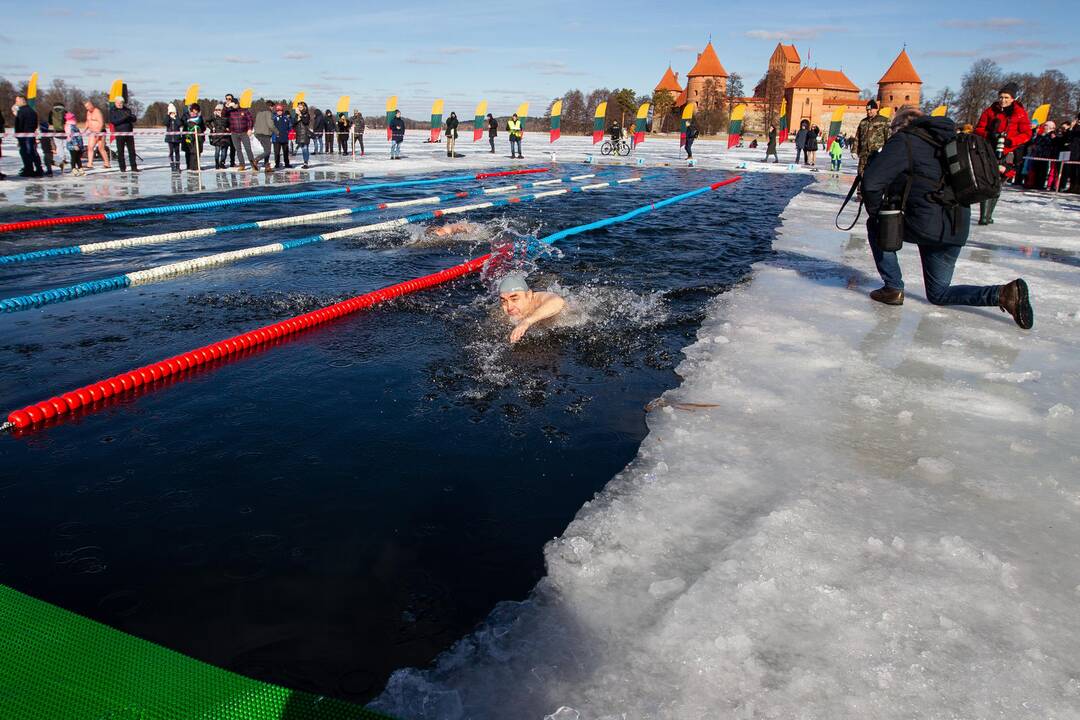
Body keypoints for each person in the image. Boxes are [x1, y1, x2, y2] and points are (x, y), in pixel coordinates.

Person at [861, 108, 1032, 329]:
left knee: (876, 224)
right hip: (957, 226)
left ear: (900, 126)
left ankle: (893, 288)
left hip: (925, 224)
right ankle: (1003, 294)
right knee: (938, 293)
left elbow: (872, 183)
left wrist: (878, 212)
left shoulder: (905, 140)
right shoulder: (952, 140)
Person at [974, 82, 1031, 224]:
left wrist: (1011, 141)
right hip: (989, 150)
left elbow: (1027, 133)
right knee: (988, 181)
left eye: (1006, 97)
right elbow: (978, 129)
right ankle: (983, 217)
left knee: (999, 182)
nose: (1003, 100)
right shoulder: (990, 111)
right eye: (1001, 97)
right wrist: (990, 134)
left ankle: (988, 215)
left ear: (1013, 98)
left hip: (1008, 152)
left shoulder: (1019, 114)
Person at [498, 272, 567, 344]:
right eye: (504, 301)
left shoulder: (538, 300)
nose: (509, 307)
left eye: (514, 299)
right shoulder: (501, 315)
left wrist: (527, 322)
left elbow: (558, 302)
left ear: (529, 295)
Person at [853, 100, 889, 177]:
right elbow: (857, 137)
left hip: (877, 156)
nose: (869, 112)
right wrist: (854, 151)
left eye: (871, 109)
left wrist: (887, 153)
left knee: (876, 177)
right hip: (864, 155)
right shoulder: (863, 122)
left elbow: (889, 138)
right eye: (867, 110)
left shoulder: (884, 121)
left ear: (876, 109)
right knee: (861, 177)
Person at [14, 95, 44, 177]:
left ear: (22, 101)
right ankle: (38, 169)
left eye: (17, 101)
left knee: (25, 152)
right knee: (33, 152)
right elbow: (35, 124)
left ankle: (29, 169)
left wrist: (18, 135)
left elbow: (19, 124)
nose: (16, 103)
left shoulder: (21, 111)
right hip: (31, 134)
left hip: (24, 135)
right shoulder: (32, 111)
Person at [108, 96, 138, 172]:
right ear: (115, 102)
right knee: (120, 151)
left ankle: (134, 167)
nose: (120, 104)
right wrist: (124, 118)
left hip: (129, 133)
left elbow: (134, 119)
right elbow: (114, 121)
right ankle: (122, 168)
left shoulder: (127, 110)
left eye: (121, 103)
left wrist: (131, 117)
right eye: (118, 103)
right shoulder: (112, 111)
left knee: (132, 151)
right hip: (119, 133)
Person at [227, 97, 256, 171]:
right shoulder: (230, 111)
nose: (234, 106)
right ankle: (242, 165)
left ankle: (253, 164)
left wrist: (249, 129)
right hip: (234, 133)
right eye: (232, 104)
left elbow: (250, 120)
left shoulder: (244, 110)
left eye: (235, 104)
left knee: (248, 149)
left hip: (244, 133)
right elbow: (223, 114)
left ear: (237, 103)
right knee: (238, 149)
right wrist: (226, 106)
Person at [82, 100, 109, 169]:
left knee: (101, 148)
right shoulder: (88, 112)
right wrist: (84, 130)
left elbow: (101, 123)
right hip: (92, 132)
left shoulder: (97, 112)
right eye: (86, 107)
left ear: (91, 105)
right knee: (90, 147)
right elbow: (88, 122)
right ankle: (90, 163)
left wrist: (98, 132)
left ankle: (107, 163)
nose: (87, 108)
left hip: (100, 132)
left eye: (88, 106)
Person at [252, 101, 275, 172]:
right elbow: (270, 125)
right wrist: (276, 131)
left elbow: (256, 123)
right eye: (272, 107)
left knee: (266, 150)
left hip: (259, 134)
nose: (273, 108)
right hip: (265, 134)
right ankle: (256, 160)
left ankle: (266, 166)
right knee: (268, 151)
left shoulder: (259, 113)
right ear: (270, 106)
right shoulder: (269, 113)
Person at [182, 103, 205, 171]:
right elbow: (184, 122)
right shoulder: (186, 116)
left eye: (196, 110)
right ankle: (192, 166)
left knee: (197, 152)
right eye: (194, 110)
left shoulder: (199, 118)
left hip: (198, 137)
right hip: (190, 137)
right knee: (191, 152)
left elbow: (203, 127)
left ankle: (195, 166)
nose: (195, 112)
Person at [209, 104, 232, 169]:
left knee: (224, 151)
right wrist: (212, 128)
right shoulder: (214, 116)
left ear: (222, 110)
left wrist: (228, 128)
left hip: (225, 136)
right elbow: (207, 122)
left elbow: (230, 123)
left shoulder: (226, 116)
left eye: (219, 109)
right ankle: (216, 163)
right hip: (216, 136)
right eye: (216, 109)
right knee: (217, 151)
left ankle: (222, 163)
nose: (217, 111)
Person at [271, 103, 293, 169]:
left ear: (282, 111)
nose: (279, 112)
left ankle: (287, 163)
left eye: (280, 110)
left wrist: (287, 132)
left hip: (284, 138)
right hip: (276, 138)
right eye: (278, 110)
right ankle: (277, 164)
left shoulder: (286, 118)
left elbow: (290, 126)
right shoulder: (273, 118)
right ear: (276, 111)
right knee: (277, 152)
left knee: (286, 152)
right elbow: (271, 127)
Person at [164, 103, 184, 171]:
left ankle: (178, 166)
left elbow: (180, 124)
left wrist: (175, 118)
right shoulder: (168, 118)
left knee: (177, 152)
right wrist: (168, 116)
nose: (172, 113)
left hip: (177, 138)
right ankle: (172, 166)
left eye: (173, 112)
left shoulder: (177, 118)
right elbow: (165, 123)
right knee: (171, 152)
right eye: (171, 112)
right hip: (170, 138)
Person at [293, 101, 312, 168]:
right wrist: (296, 120)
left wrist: (300, 115)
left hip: (305, 134)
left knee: (305, 148)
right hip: (299, 134)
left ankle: (306, 162)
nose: (299, 108)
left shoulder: (306, 114)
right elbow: (293, 124)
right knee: (303, 148)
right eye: (299, 107)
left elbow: (306, 121)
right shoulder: (296, 115)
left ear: (304, 107)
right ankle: (305, 162)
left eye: (301, 107)